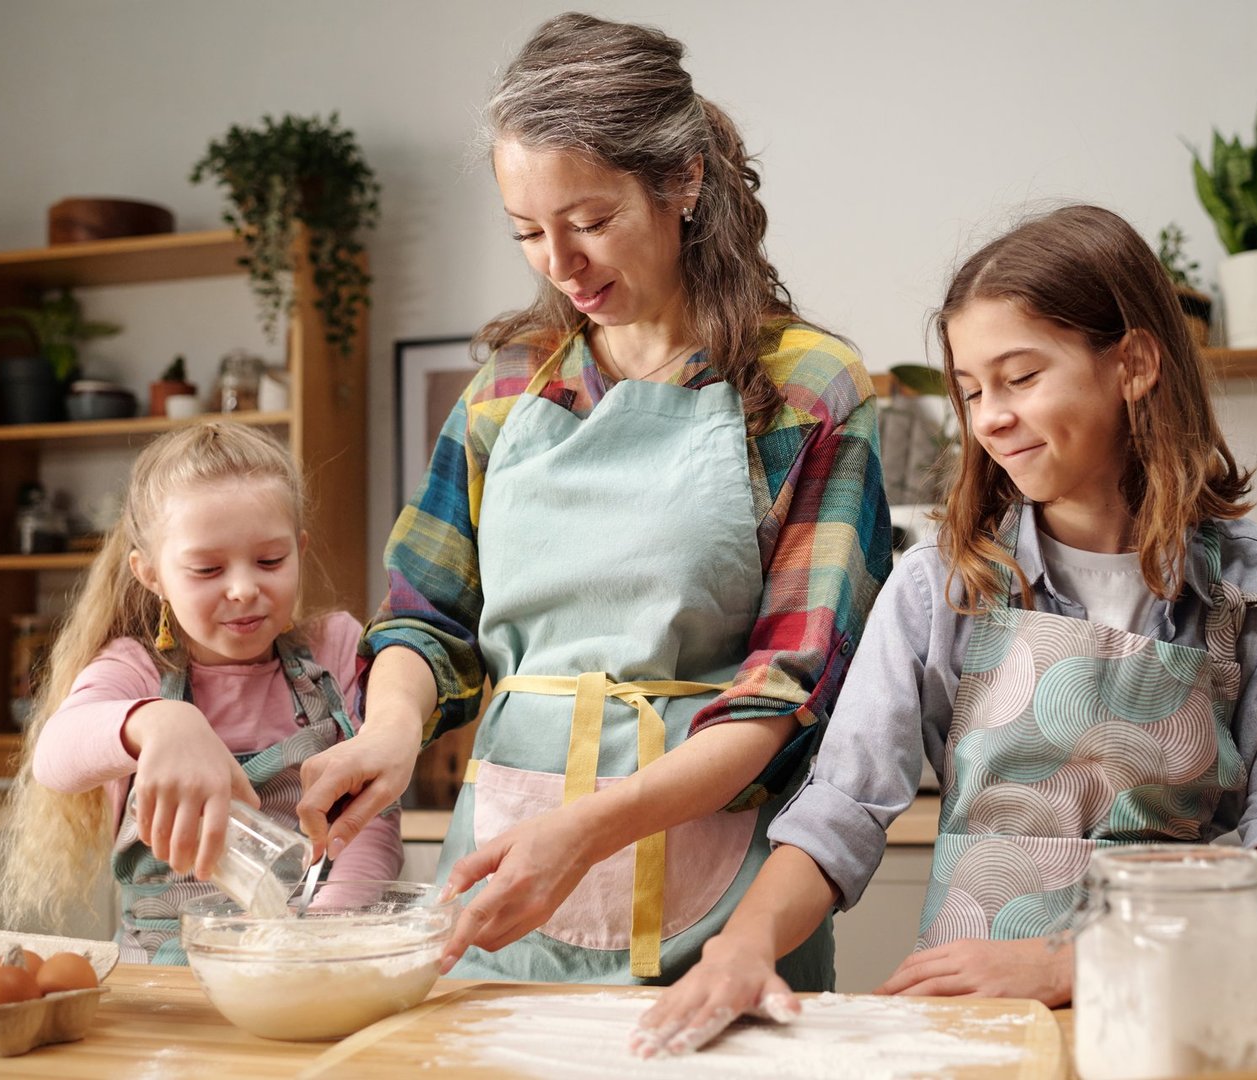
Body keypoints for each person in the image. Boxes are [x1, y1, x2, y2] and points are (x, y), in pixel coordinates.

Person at [633, 204, 1257, 1056]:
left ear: (1135, 365)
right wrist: (743, 944)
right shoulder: (940, 585)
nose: (990, 418)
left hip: (1177, 1024)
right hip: (967, 1029)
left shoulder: (1256, 588)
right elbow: (844, 805)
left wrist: (1066, 963)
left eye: (1020, 378)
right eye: (972, 391)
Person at [294, 12, 890, 990]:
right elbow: (426, 617)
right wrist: (392, 734)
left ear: (684, 181)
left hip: (721, 903)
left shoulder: (807, 392)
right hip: (500, 883)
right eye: (528, 231)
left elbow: (790, 686)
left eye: (591, 221)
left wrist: (583, 831)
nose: (560, 265)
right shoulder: (505, 390)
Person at [0, 422, 403, 963]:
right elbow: (54, 755)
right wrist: (159, 723)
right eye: (207, 568)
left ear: (299, 550)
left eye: (270, 561)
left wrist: (322, 937)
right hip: (164, 984)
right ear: (151, 574)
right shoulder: (134, 670)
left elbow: (369, 818)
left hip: (318, 961)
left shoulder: (335, 647)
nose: (243, 588)